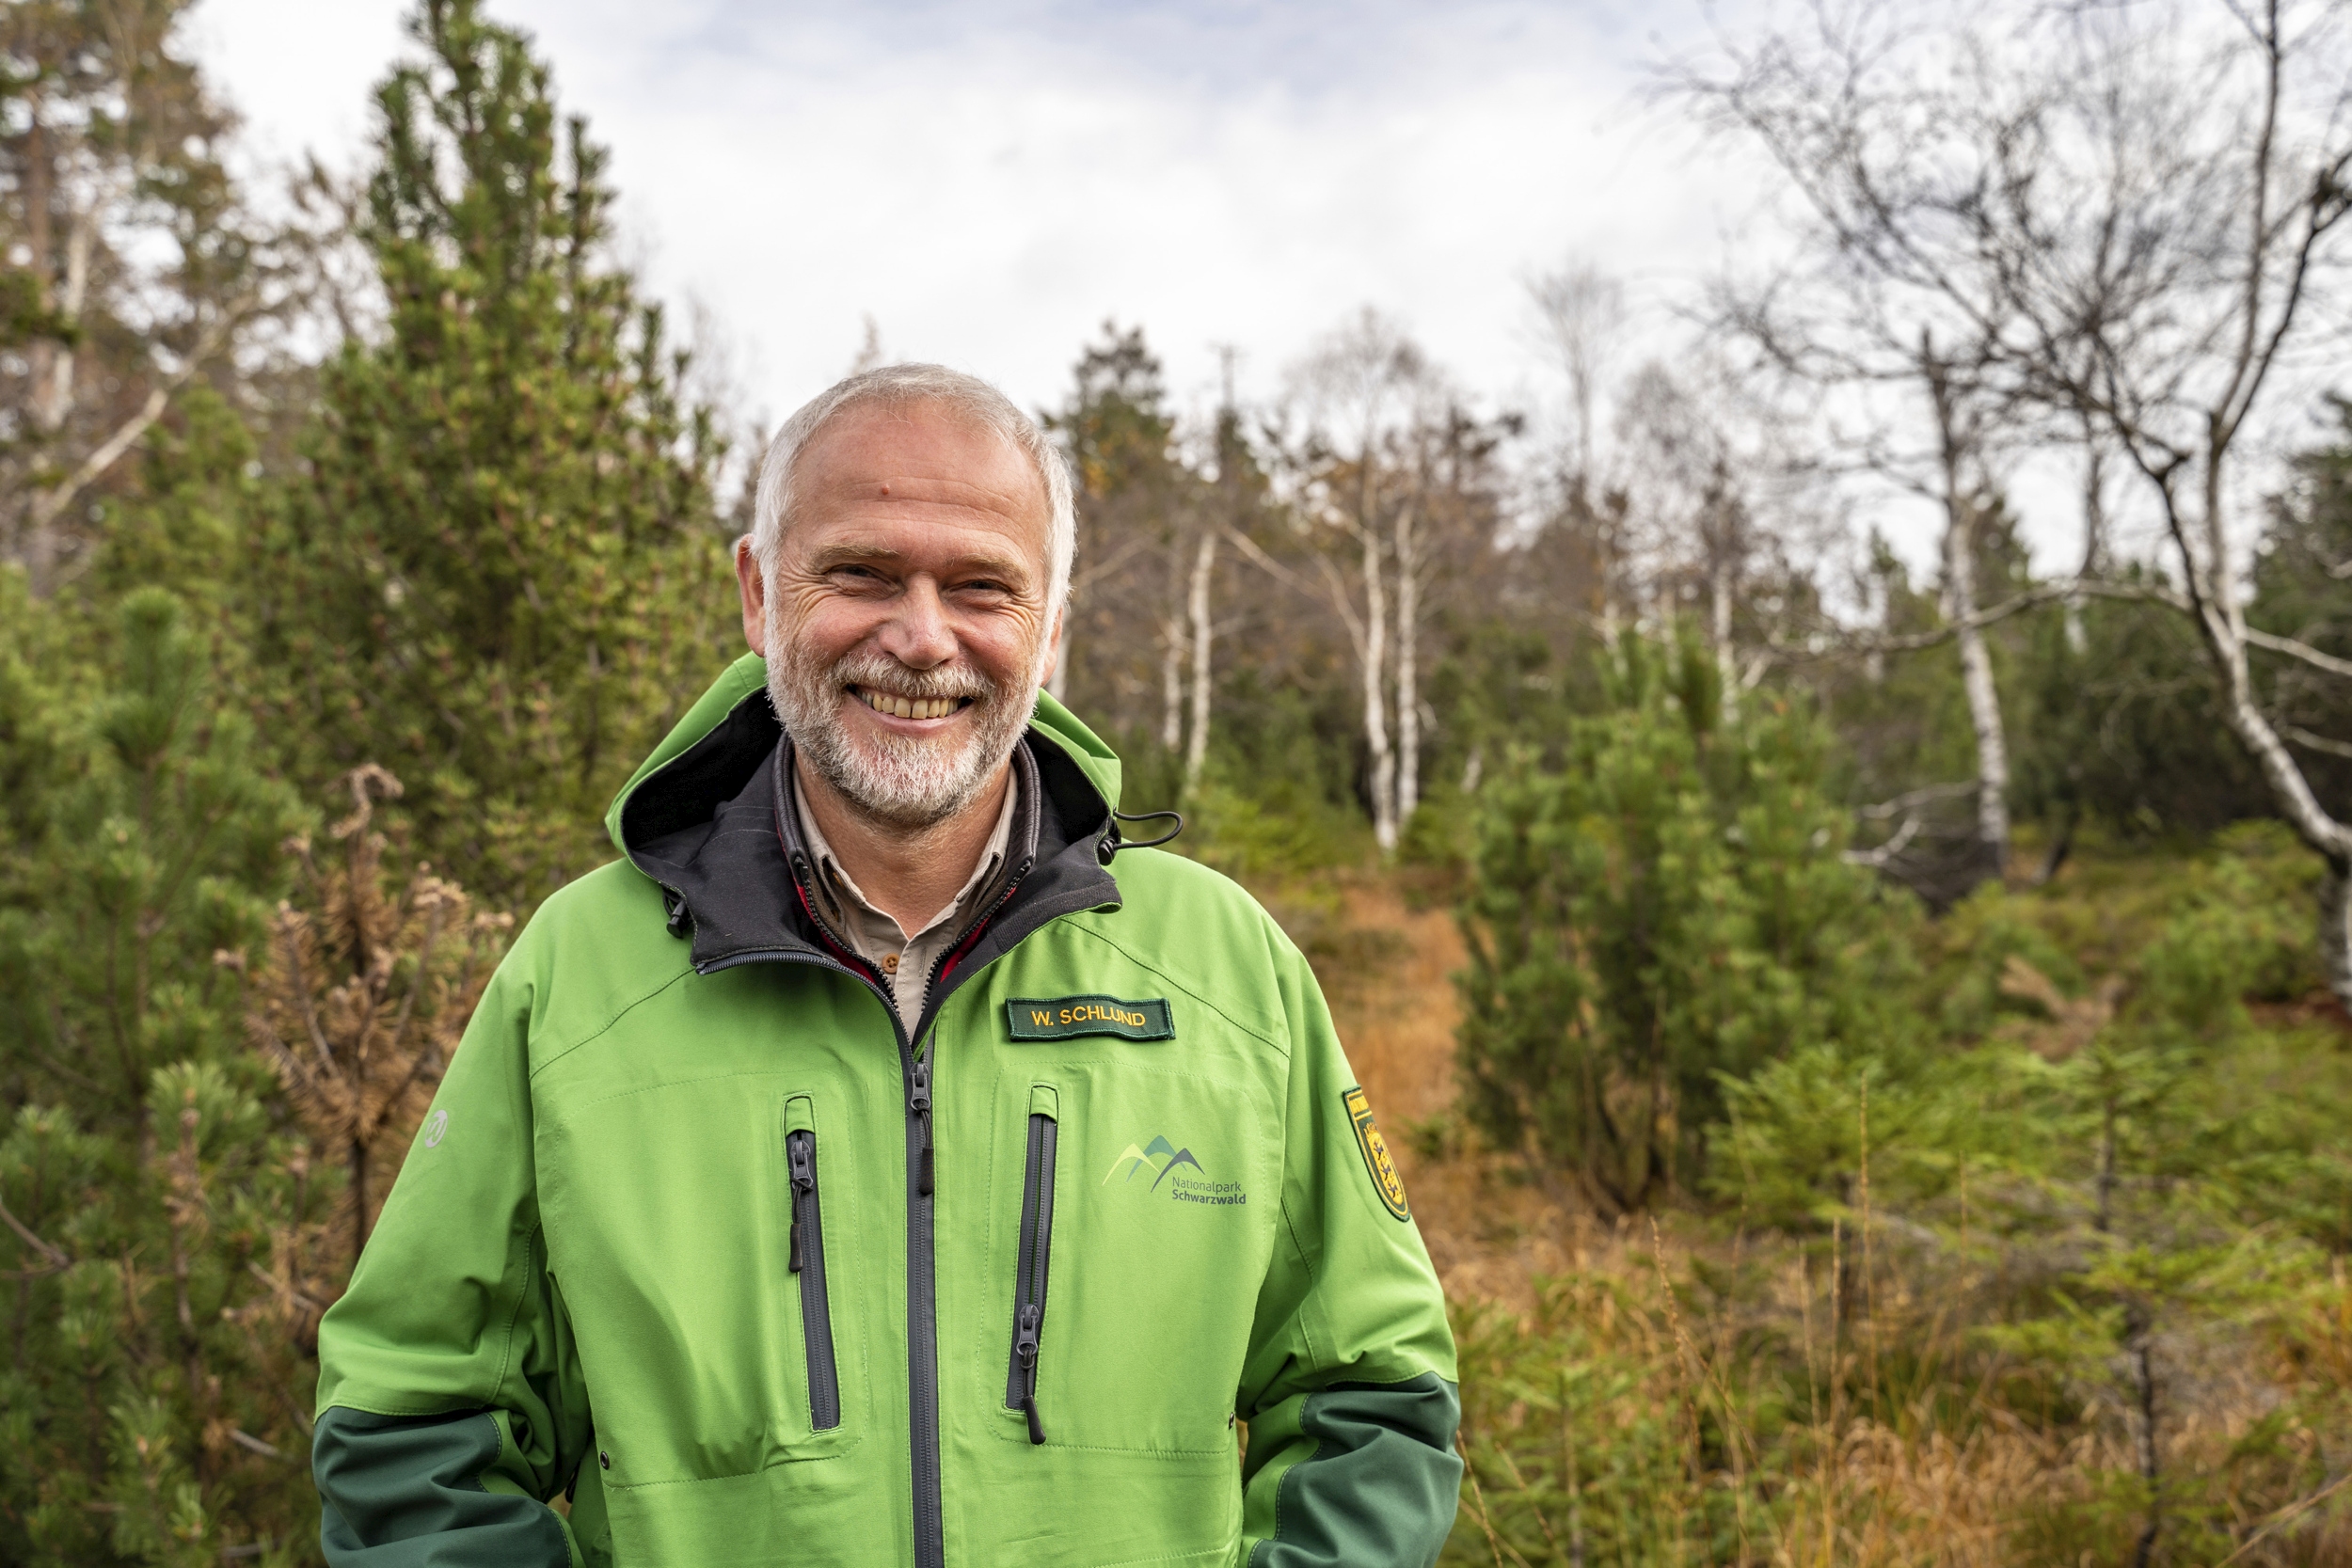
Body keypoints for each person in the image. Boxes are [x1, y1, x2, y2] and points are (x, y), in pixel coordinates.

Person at [310, 364, 1461, 1566]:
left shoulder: (1225, 972)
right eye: (859, 574)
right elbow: (412, 1421)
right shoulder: (580, 980)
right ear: (758, 593)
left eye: (981, 587)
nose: (921, 638)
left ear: (1051, 626)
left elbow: (1371, 1396)